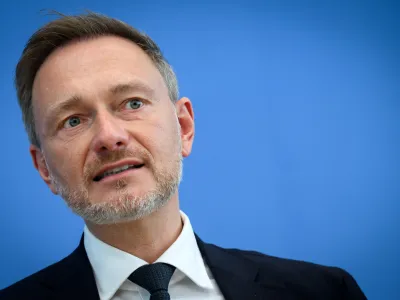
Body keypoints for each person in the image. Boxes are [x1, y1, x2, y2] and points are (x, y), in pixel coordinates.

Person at [0, 11, 366, 300]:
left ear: (184, 127)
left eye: (132, 103)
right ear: (44, 168)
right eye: (74, 120)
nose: (110, 137)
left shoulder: (325, 291)